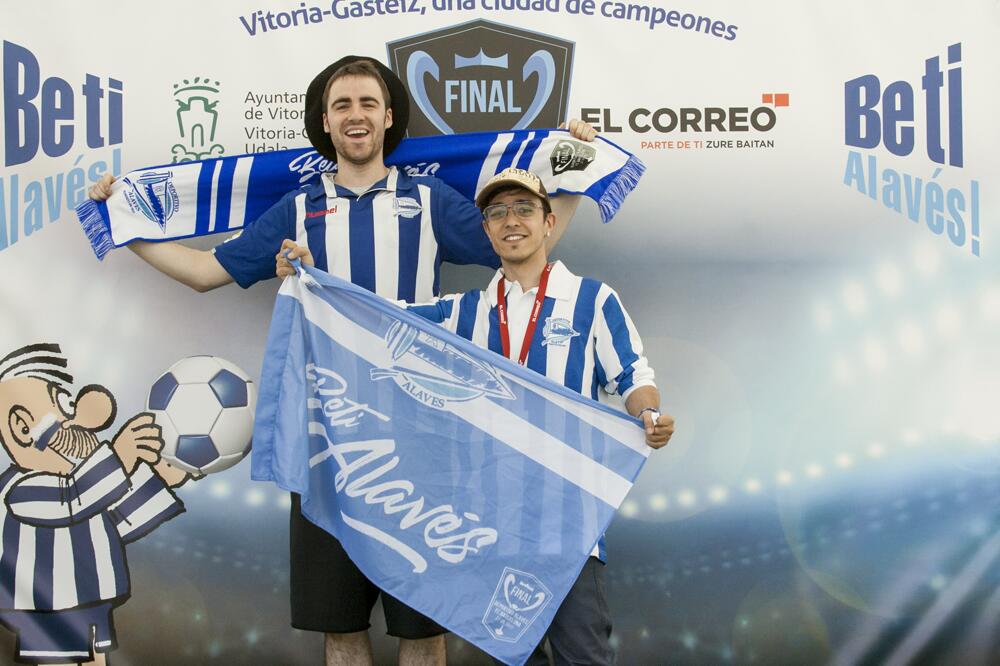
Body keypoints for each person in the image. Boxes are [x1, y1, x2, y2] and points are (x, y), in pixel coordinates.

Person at [90, 55, 597, 665]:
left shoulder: (429, 200)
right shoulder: (297, 209)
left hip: (421, 441)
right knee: (341, 627)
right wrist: (120, 222)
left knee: (423, 628)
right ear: (325, 122)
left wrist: (575, 170)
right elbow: (204, 272)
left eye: (367, 104)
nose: (356, 116)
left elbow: (526, 245)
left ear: (389, 117)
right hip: (326, 441)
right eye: (342, 106)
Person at [389, 166, 675, 665]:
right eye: (497, 212)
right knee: (512, 659)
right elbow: (378, 316)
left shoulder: (592, 300)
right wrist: (310, 282)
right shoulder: (463, 312)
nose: (511, 220)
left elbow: (633, 378)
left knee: (582, 656)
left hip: (569, 525)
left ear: (548, 222)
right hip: (491, 527)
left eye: (524, 208)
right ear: (486, 230)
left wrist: (649, 413)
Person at [0, 343, 189, 666]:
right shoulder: (21, 489)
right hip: (46, 606)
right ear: (22, 426)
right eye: (62, 407)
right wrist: (121, 456)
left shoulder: (86, 488)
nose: (78, 421)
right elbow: (71, 499)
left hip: (89, 601)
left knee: (95, 659)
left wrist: (161, 479)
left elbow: (116, 519)